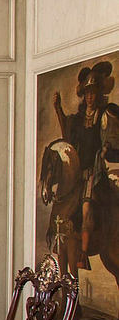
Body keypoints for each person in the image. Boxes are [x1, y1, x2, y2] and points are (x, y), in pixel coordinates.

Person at [53, 61, 119, 269]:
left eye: (94, 92)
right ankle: (57, 241)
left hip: (94, 173)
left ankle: (82, 254)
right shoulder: (78, 119)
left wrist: (107, 146)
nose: (90, 97)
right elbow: (68, 136)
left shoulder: (103, 115)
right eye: (87, 93)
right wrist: (58, 110)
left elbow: (111, 137)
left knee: (86, 207)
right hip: (77, 174)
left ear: (99, 93)